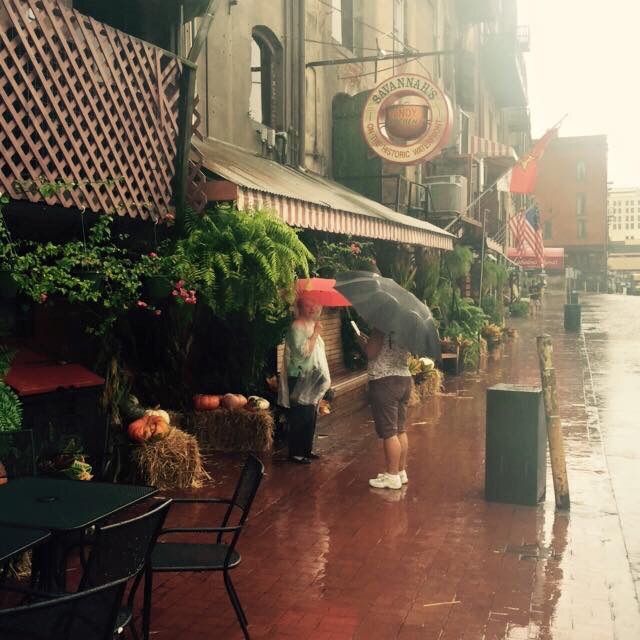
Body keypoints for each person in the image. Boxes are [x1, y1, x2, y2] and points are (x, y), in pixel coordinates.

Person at [278, 297, 330, 464]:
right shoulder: (297, 326)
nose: (313, 307)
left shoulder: (312, 324)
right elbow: (303, 352)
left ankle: (306, 449)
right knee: (300, 414)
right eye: (309, 304)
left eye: (315, 303)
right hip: (299, 375)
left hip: (312, 376)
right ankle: (296, 452)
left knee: (310, 413)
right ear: (300, 306)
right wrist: (316, 333)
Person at [358, 328, 412, 490]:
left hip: (384, 380)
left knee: (388, 432)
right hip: (404, 378)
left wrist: (362, 342)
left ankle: (392, 476)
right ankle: (400, 472)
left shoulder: (382, 324)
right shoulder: (407, 326)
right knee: (400, 429)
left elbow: (371, 352)